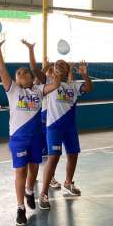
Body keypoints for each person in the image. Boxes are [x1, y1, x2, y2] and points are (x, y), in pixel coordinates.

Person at [0, 36, 59, 226]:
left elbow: (55, 85)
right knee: (21, 170)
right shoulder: (12, 90)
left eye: (24, 72)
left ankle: (29, 191)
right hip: (19, 138)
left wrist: (56, 74)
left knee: (34, 168)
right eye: (18, 73)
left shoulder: (38, 90)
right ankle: (20, 208)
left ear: (29, 77)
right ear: (16, 79)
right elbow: (1, 69)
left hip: (36, 137)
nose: (20, 73)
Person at [38, 59, 93, 210]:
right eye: (57, 64)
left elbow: (89, 88)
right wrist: (46, 65)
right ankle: (43, 193)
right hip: (54, 127)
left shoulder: (73, 86)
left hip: (70, 128)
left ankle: (68, 183)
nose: (58, 65)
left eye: (62, 64)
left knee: (73, 155)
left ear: (68, 69)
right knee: (53, 157)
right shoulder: (50, 83)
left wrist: (85, 74)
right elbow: (37, 74)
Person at [22, 41, 62, 189]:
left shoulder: (52, 85)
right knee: (38, 153)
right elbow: (36, 73)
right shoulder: (39, 86)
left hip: (51, 120)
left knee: (51, 153)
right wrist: (45, 65)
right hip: (41, 119)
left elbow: (38, 75)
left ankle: (50, 177)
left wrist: (49, 67)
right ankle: (31, 178)